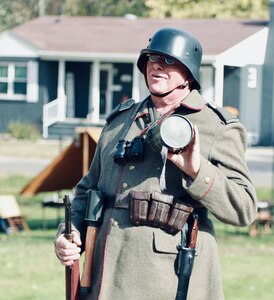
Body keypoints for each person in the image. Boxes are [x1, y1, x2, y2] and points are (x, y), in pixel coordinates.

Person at [54, 27, 257, 300]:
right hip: (104, 275)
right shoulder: (120, 121)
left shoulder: (216, 127)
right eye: (151, 58)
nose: (157, 66)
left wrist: (197, 171)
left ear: (189, 73)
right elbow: (88, 190)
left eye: (169, 60)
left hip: (167, 281)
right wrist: (69, 234)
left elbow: (243, 209)